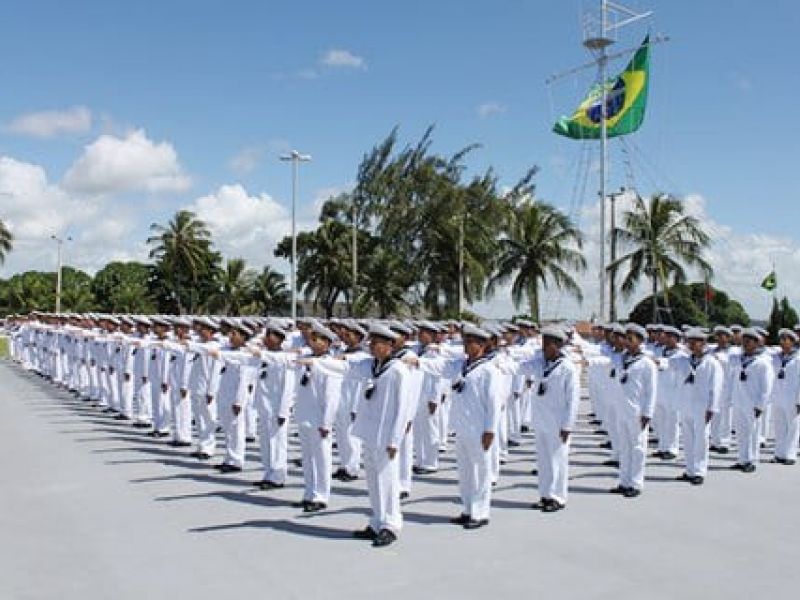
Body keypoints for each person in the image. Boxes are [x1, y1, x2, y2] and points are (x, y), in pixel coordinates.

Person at [411, 324, 502, 529]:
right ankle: (468, 509)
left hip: (479, 430)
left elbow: (494, 404)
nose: (467, 346)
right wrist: (418, 362)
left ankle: (480, 513)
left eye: (471, 342)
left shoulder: (489, 370)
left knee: (480, 472)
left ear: (482, 345)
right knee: (465, 472)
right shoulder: (461, 365)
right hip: (462, 427)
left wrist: (490, 430)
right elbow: (440, 366)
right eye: (466, 342)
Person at [513, 326, 580, 511]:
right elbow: (520, 368)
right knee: (543, 461)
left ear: (557, 345)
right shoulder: (540, 363)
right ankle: (545, 495)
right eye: (543, 342)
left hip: (558, 423)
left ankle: (557, 497)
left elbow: (573, 400)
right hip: (541, 420)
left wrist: (568, 425)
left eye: (547, 343)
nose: (543, 347)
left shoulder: (567, 368)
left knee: (558, 460)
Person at [667, 328, 723, 485]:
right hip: (687, 404)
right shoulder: (684, 360)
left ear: (703, 343)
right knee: (688, 439)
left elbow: (716, 387)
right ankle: (690, 469)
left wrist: (712, 408)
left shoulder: (711, 363)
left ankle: (699, 471)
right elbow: (667, 363)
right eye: (689, 341)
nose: (691, 345)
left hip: (702, 407)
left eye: (694, 342)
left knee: (701, 440)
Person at [728, 328, 773, 473]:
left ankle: (752, 460)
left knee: (753, 433)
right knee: (741, 432)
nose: (745, 343)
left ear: (756, 343)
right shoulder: (737, 360)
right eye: (744, 341)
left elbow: (766, 387)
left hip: (753, 403)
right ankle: (742, 459)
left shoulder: (762, 363)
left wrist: (760, 405)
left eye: (749, 341)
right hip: (739, 401)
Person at [770, 328, 800, 465]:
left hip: (792, 397)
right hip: (778, 396)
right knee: (779, 426)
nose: (782, 342)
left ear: (792, 342)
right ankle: (779, 453)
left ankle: (790, 454)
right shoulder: (776, 357)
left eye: (785, 340)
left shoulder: (798, 358)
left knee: (793, 427)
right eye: (781, 339)